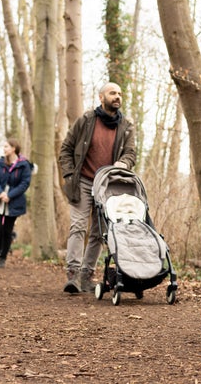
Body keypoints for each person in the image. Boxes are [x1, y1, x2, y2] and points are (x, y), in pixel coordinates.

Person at [60, 82, 136, 293]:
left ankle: (86, 275)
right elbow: (66, 148)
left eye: (120, 93)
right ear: (101, 97)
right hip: (83, 181)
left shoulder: (127, 125)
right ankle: (73, 275)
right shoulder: (86, 120)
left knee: (98, 232)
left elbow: (131, 154)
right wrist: (68, 174)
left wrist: (123, 164)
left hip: (108, 185)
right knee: (78, 226)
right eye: (113, 93)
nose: (117, 96)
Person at [0, 138, 33, 269]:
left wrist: (10, 195)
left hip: (14, 202)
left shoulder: (24, 165)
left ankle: (3, 257)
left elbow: (25, 183)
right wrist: (0, 193)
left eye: (6, 147)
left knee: (7, 231)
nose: (4, 149)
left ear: (13, 148)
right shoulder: (0, 162)